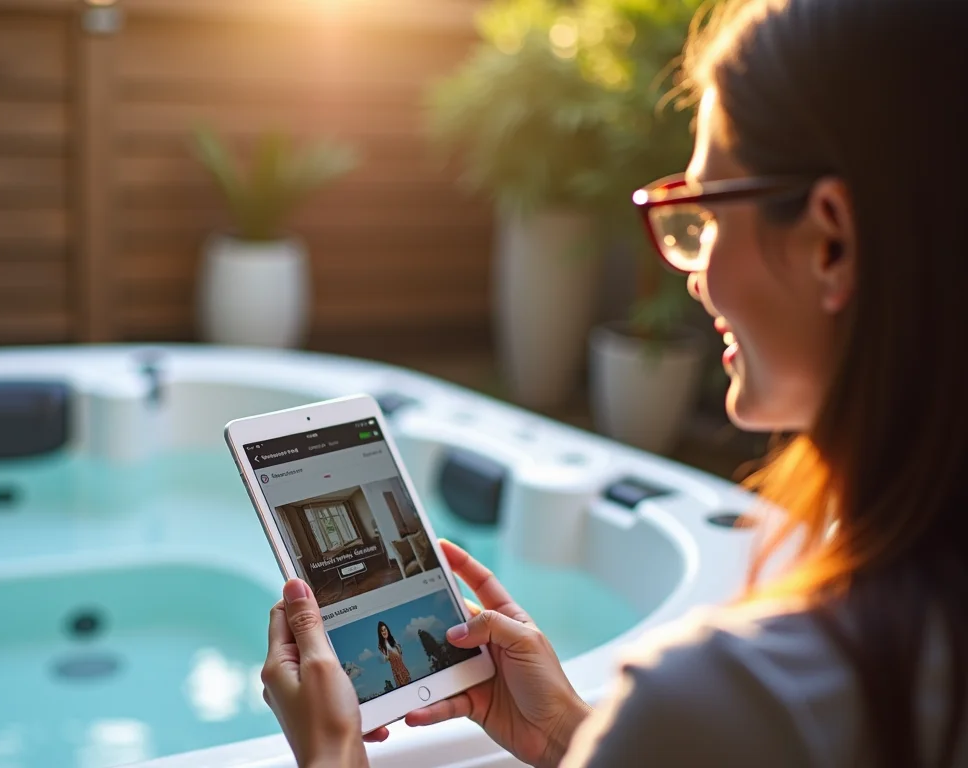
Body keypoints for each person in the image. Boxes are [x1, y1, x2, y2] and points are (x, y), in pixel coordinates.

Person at [258, 0, 968, 765]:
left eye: (704, 216)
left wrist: (332, 753)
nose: (695, 276)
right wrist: (566, 731)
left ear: (829, 243)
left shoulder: (736, 696)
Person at [377, 622, 411, 687]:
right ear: (380, 633)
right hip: (395, 670)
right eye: (382, 631)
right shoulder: (381, 646)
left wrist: (397, 647)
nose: (384, 632)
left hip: (402, 667)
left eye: (385, 629)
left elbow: (400, 652)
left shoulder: (393, 639)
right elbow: (385, 659)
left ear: (387, 630)